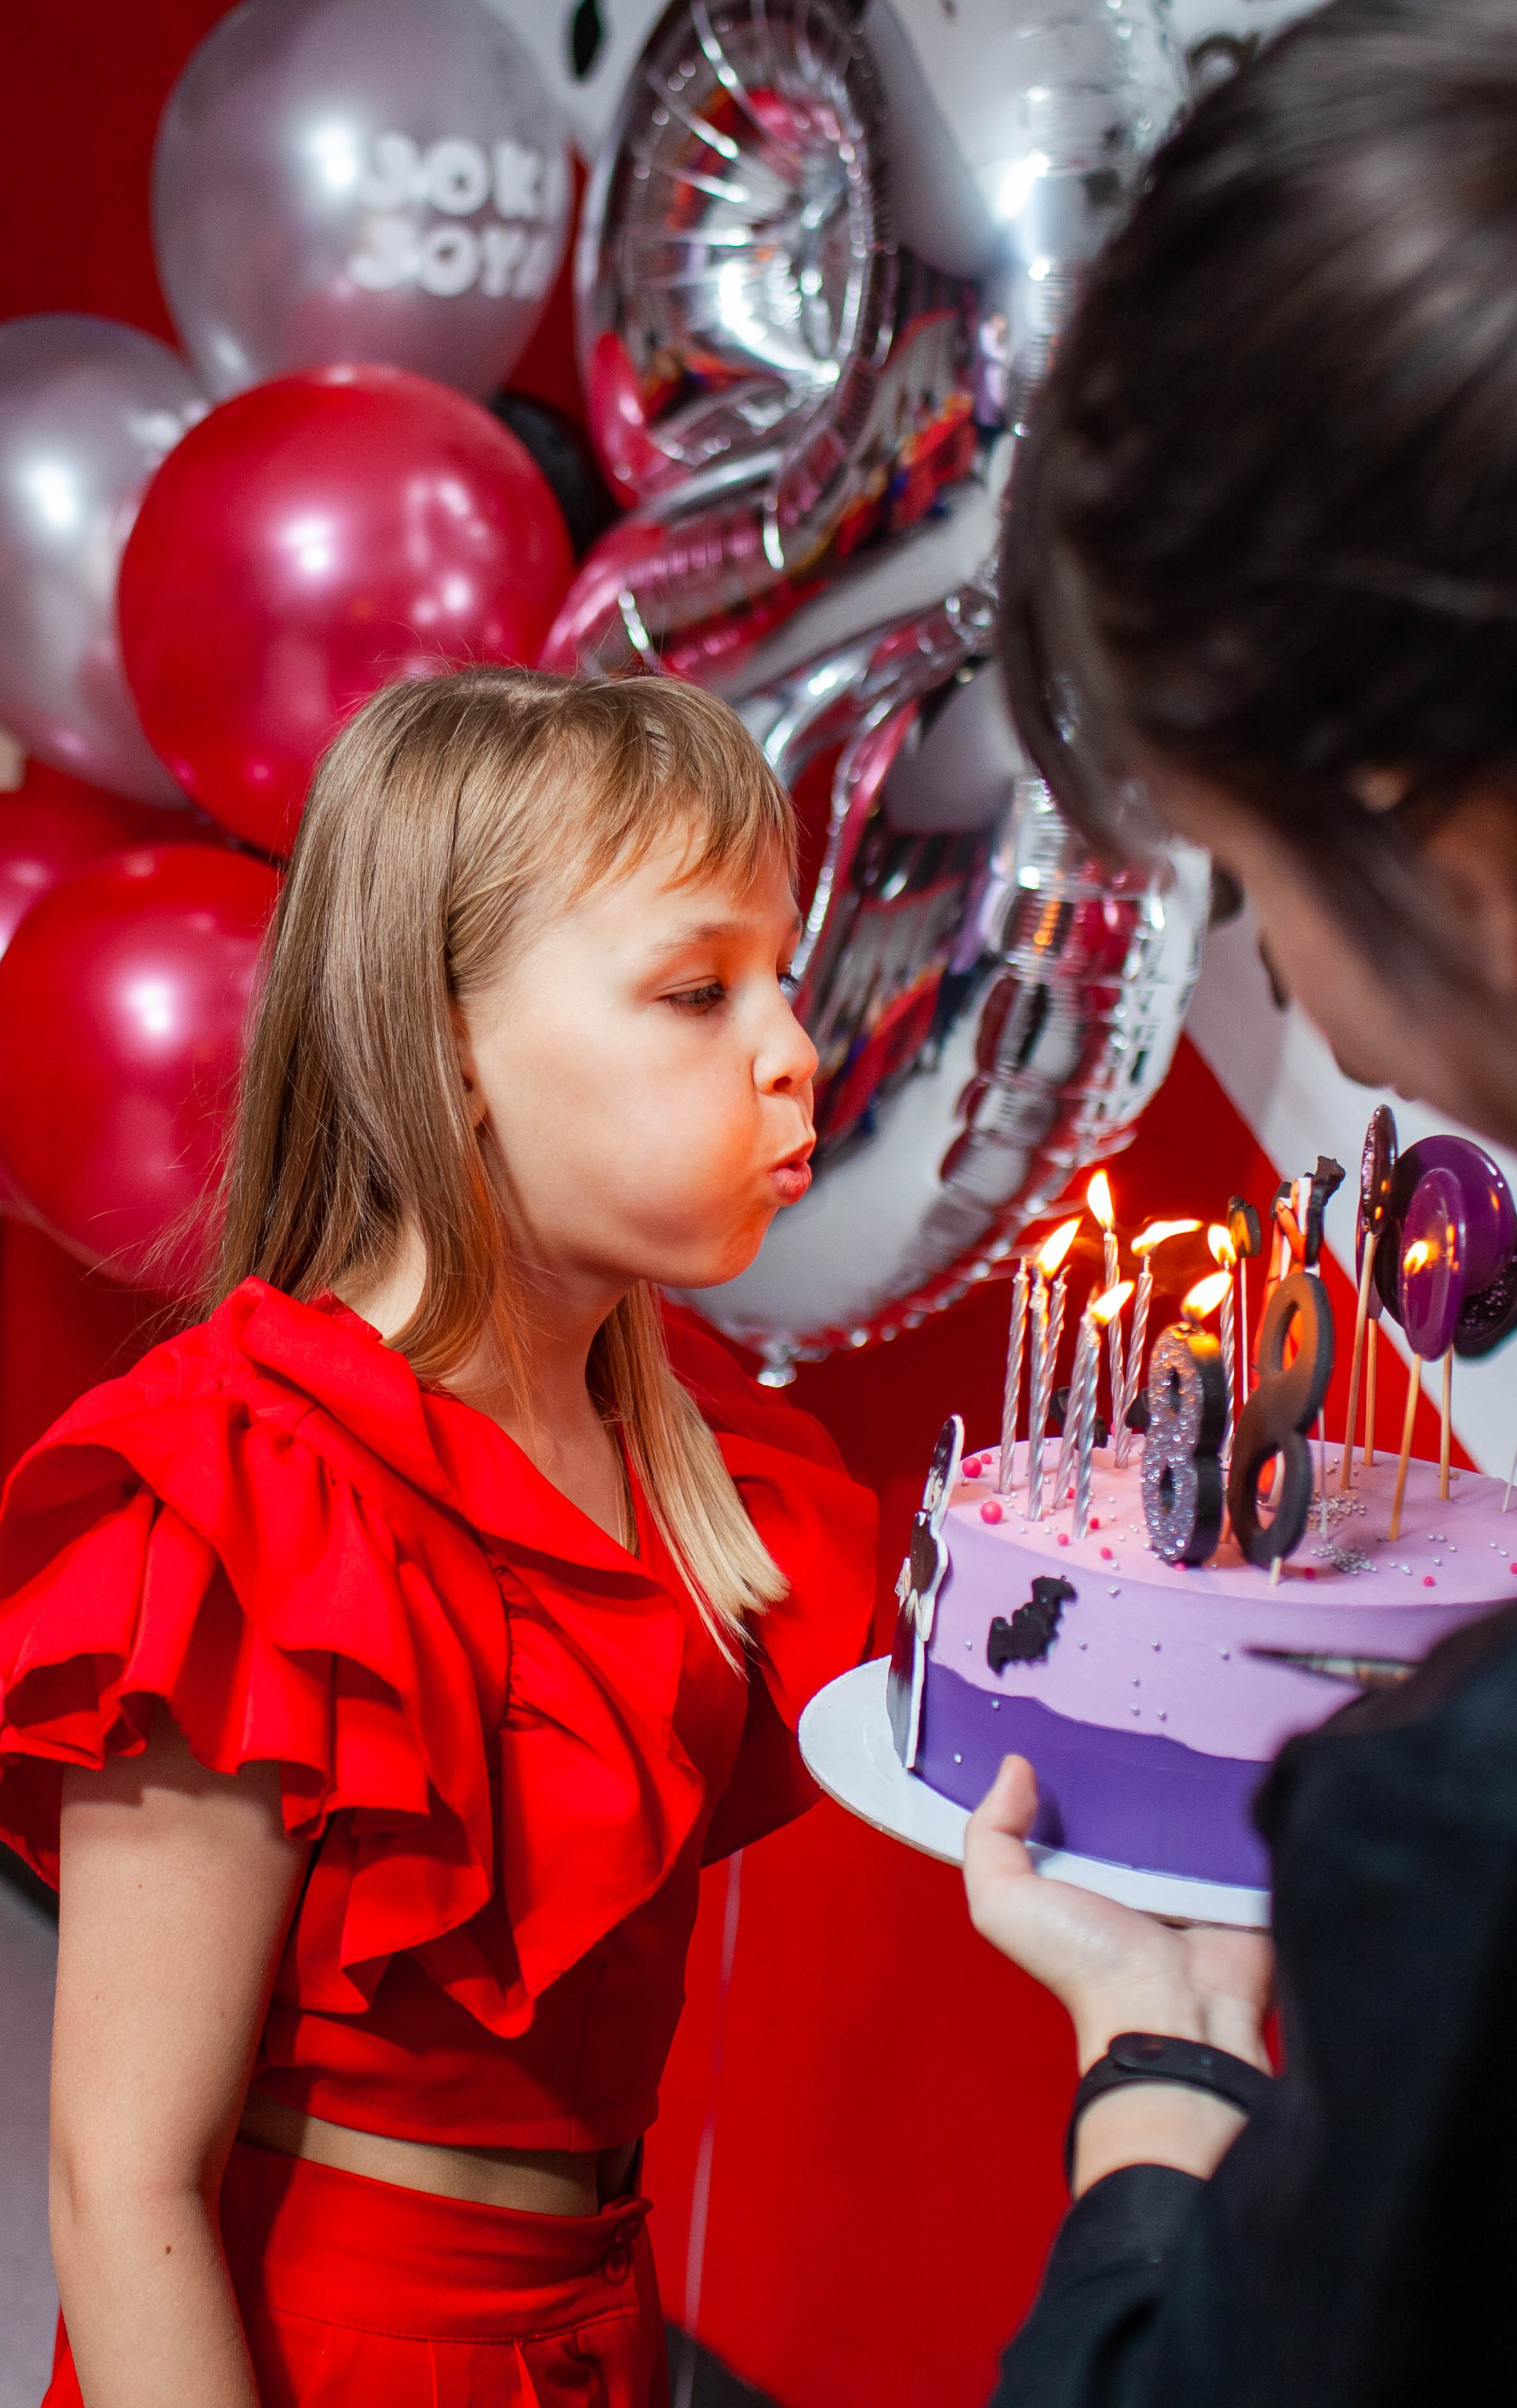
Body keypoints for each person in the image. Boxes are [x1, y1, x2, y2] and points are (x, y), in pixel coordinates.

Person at [0, 670, 876, 2408]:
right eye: (697, 990)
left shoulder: (698, 1457)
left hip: (600, 2322)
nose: (794, 1050)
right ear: (448, 1044)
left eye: (783, 977)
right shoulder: (238, 1505)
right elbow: (119, 2183)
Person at [961, 3, 1517, 2400]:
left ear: (1447, 833)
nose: (1271, 963)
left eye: (1251, 861)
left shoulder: (1467, 1849)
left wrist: (1159, 2102)